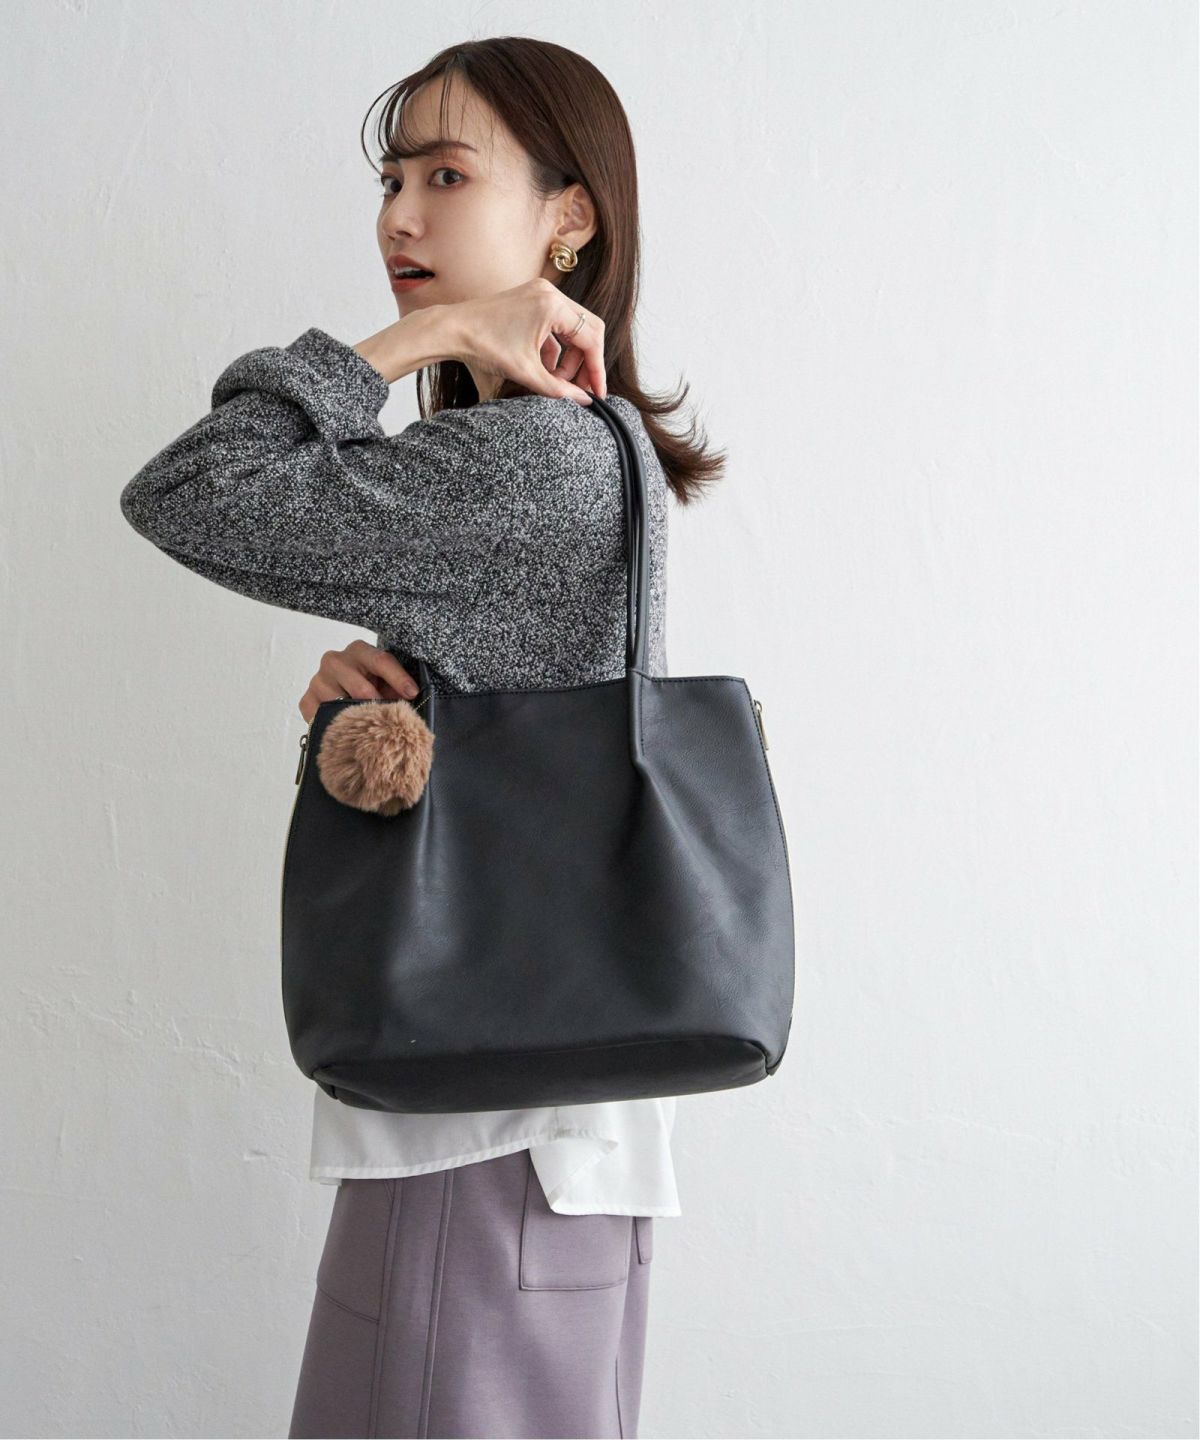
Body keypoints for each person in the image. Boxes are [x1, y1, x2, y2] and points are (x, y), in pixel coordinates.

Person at [119, 35, 725, 1440]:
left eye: (447, 177)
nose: (399, 216)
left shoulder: (529, 459)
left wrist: (412, 343)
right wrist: (389, 715)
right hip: (561, 1142)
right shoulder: (596, 446)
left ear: (569, 219)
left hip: (479, 1146)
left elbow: (190, 490)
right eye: (391, 180)